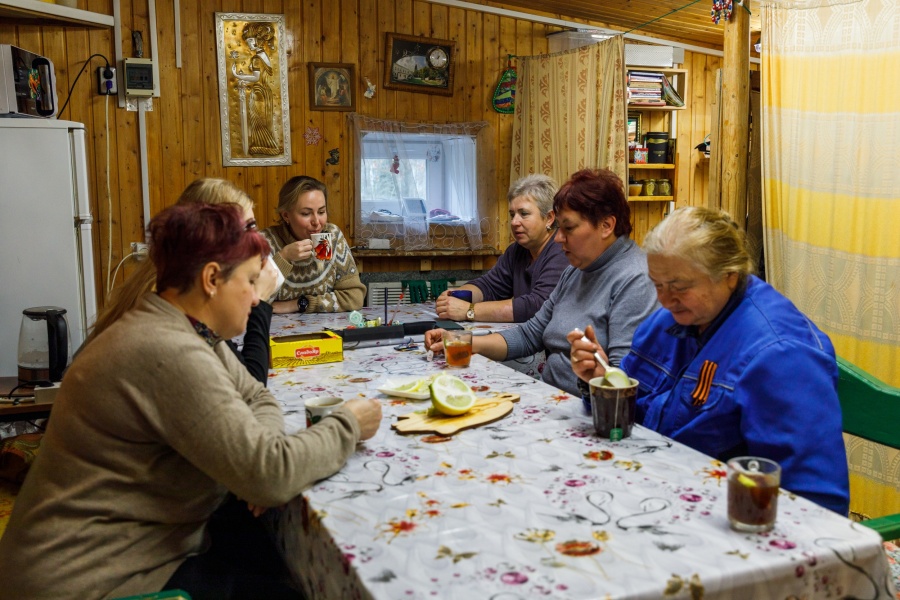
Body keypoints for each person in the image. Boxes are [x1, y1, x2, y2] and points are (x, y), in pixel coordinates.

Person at [0, 203, 383, 600]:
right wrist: (348, 424)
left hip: (127, 557)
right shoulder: (168, 350)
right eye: (251, 282)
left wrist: (259, 460)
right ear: (212, 279)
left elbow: (256, 396)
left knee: (267, 558)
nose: (257, 299)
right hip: (89, 582)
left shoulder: (182, 326)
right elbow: (272, 474)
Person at [567, 206, 849, 514]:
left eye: (679, 286)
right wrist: (602, 380)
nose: (664, 299)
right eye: (657, 284)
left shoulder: (782, 356)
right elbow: (631, 420)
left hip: (726, 516)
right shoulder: (667, 321)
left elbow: (815, 504)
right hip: (649, 488)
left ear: (729, 275)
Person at [425, 169, 659, 396]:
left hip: (585, 411)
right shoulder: (575, 272)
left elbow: (623, 385)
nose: (558, 237)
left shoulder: (635, 280)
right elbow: (529, 335)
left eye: (568, 228)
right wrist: (463, 342)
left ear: (606, 226)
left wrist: (599, 376)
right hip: (550, 396)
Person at [85, 178, 279, 385]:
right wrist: (260, 300)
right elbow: (250, 382)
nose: (255, 238)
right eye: (248, 228)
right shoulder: (176, 299)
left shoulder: (165, 275)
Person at [435, 174, 569, 323]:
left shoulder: (562, 250)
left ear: (549, 218)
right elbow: (489, 286)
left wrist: (469, 310)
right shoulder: (516, 250)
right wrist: (457, 295)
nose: (514, 222)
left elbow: (537, 306)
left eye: (523, 214)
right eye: (512, 215)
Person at [261, 175, 366, 314]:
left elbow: (355, 297)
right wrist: (283, 257)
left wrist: (299, 304)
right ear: (286, 216)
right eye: (306, 213)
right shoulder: (264, 242)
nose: (317, 221)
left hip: (327, 329)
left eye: (321, 212)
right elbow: (254, 303)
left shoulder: (332, 236)